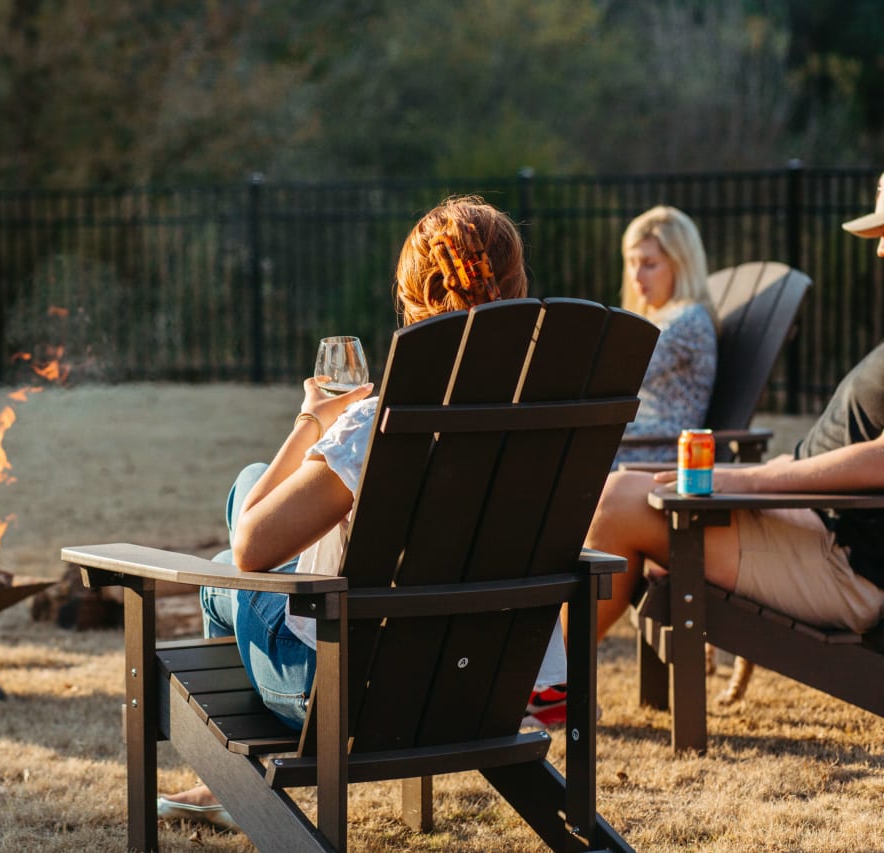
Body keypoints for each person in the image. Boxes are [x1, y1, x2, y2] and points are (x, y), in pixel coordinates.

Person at [155, 195, 558, 832]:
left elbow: (252, 550)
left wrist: (313, 419)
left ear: (411, 302)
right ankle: (232, 788)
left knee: (228, 544)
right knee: (246, 511)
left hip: (350, 698)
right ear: (518, 286)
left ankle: (233, 784)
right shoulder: (550, 415)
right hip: (479, 690)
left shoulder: (380, 423)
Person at [583, 170, 884, 647]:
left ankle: (544, 684)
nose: (880, 250)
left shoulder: (686, 321)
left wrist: (746, 477)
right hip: (811, 525)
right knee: (613, 496)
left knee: (615, 501)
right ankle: (545, 679)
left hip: (840, 559)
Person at [612, 205, 718, 466]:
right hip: (634, 444)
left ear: (680, 265)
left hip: (658, 453)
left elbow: (614, 376)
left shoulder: (686, 321)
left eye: (649, 264)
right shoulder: (664, 317)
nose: (636, 277)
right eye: (632, 263)